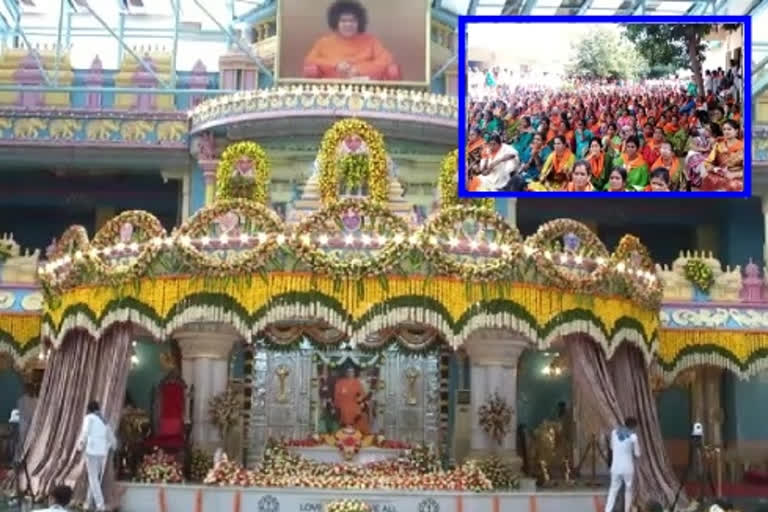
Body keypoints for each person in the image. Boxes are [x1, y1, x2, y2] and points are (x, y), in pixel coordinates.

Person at [303, 1, 399, 81]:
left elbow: (387, 61)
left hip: (364, 86)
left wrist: (359, 69)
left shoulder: (371, 41)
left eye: (352, 21)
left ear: (359, 22)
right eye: (343, 21)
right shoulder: (324, 42)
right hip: (331, 87)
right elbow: (310, 60)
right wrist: (335, 65)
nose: (348, 24)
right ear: (336, 22)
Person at [77, 401, 117, 512]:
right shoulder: (104, 420)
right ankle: (88, 504)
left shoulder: (89, 417)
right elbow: (111, 436)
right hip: (102, 452)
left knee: (93, 479)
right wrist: (114, 446)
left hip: (92, 451)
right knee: (94, 478)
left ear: (89, 409)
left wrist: (80, 446)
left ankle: (100, 506)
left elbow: (85, 433)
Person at [605, 417, 641, 512]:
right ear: (633, 426)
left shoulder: (614, 432)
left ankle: (607, 510)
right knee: (628, 490)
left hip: (615, 467)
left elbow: (612, 447)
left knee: (613, 490)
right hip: (628, 468)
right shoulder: (633, 437)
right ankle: (626, 510)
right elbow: (637, 454)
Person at [333, 366, 370, 434]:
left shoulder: (357, 382)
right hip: (343, 406)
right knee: (344, 414)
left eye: (352, 372)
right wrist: (337, 406)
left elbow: (362, 394)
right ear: (346, 373)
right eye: (349, 372)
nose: (350, 373)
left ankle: (357, 434)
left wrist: (360, 401)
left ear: (354, 373)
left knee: (359, 416)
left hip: (354, 405)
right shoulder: (341, 382)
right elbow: (336, 395)